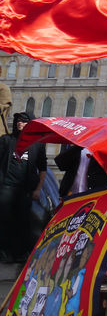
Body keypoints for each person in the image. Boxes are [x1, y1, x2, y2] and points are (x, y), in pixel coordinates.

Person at [0, 112, 47, 263]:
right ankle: (4, 252)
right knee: (4, 220)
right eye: (18, 120)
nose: (20, 123)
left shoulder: (37, 144)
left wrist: (38, 189)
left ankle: (20, 254)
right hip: (6, 186)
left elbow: (43, 168)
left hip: (25, 189)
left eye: (24, 121)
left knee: (23, 220)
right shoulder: (7, 141)